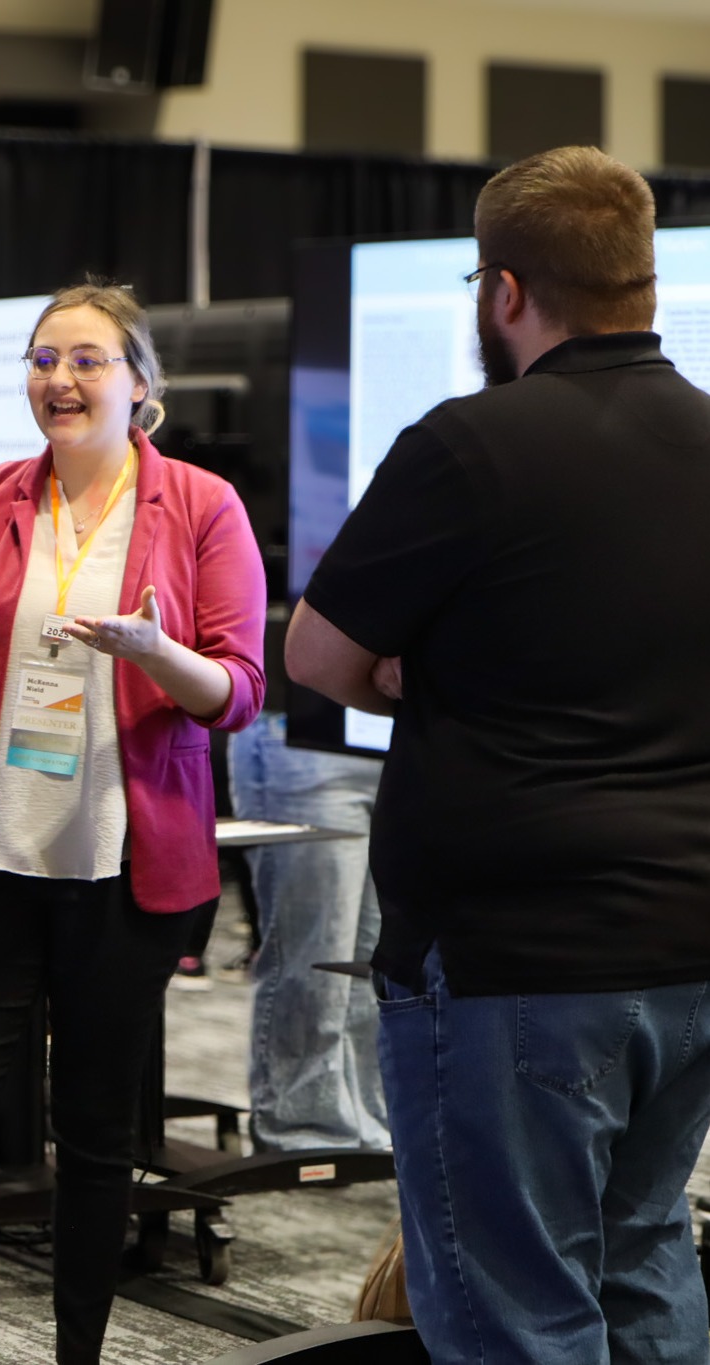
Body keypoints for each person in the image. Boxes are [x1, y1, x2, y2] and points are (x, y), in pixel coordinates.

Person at [285, 146, 710, 1363]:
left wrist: (417, 668)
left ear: (505, 293)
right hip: (689, 946)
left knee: (515, 1311)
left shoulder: (469, 447)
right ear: (645, 280)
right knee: (644, 1257)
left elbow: (318, 659)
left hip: (513, 960)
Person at [0, 279, 266, 1365]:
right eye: (40, 360)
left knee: (94, 1141)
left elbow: (239, 690)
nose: (58, 380)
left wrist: (155, 653)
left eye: (84, 360)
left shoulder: (204, 506)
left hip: (124, 870)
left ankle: (79, 1355)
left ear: (140, 385)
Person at [227, 710, 388, 1152]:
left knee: (379, 962)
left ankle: (367, 1121)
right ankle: (303, 1128)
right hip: (304, 735)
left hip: (401, 739)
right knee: (314, 953)